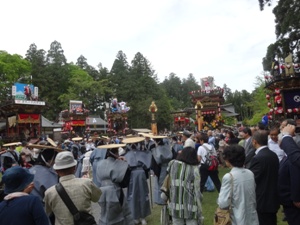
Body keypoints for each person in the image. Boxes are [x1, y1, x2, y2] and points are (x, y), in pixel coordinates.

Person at [44, 151, 101, 225]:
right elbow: (96, 198)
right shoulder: (86, 183)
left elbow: (48, 210)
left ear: (56, 171)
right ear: (74, 168)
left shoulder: (49, 192)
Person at [218, 145, 259, 225]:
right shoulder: (250, 173)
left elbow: (223, 203)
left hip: (236, 218)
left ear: (228, 159)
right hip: (252, 217)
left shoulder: (229, 177)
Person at [95, 144, 134, 225]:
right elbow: (124, 181)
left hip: (102, 190)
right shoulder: (118, 163)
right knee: (118, 213)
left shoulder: (100, 163)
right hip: (114, 190)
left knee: (104, 213)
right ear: (116, 153)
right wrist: (124, 162)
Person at [163, 146, 203, 225]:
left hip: (175, 203)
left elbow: (168, 178)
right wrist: (200, 206)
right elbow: (197, 190)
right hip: (191, 205)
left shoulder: (172, 164)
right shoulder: (194, 169)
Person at [249, 130, 279, 225]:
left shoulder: (258, 158)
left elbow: (252, 179)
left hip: (262, 199)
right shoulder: (273, 155)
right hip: (273, 197)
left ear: (254, 141)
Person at [123, 137, 152, 225]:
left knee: (134, 195)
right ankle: (139, 217)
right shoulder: (143, 153)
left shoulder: (127, 154)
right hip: (139, 173)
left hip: (134, 174)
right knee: (140, 194)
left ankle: (138, 217)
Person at [150, 135, 173, 205]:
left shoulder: (157, 149)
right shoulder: (167, 147)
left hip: (161, 167)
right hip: (168, 166)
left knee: (161, 183)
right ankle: (169, 197)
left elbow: (157, 160)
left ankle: (161, 200)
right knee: (168, 182)